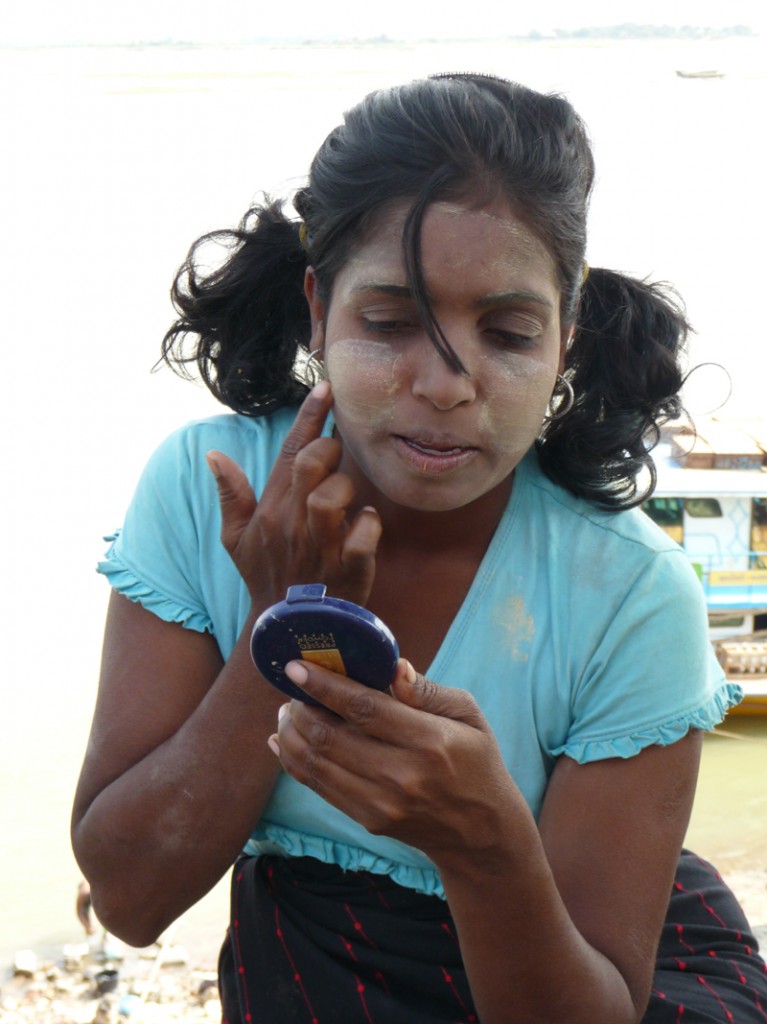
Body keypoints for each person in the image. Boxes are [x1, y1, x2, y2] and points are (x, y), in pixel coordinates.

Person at [71, 73, 766, 1023]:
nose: (444, 384)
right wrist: (283, 633)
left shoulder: (629, 594)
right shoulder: (211, 491)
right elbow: (130, 898)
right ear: (319, 309)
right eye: (390, 323)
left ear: (565, 341)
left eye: (507, 332)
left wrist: (485, 845)